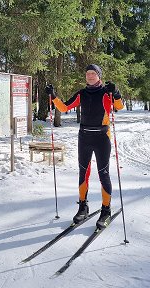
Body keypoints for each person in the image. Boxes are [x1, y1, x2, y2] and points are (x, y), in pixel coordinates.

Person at [45, 64, 124, 229]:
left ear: (99, 76)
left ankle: (105, 210)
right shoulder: (82, 93)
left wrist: (116, 93)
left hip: (102, 137)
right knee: (83, 173)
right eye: (87, 73)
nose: (89, 76)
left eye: (93, 73)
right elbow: (65, 107)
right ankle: (83, 207)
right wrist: (53, 96)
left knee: (103, 174)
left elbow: (119, 106)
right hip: (85, 137)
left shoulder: (106, 92)